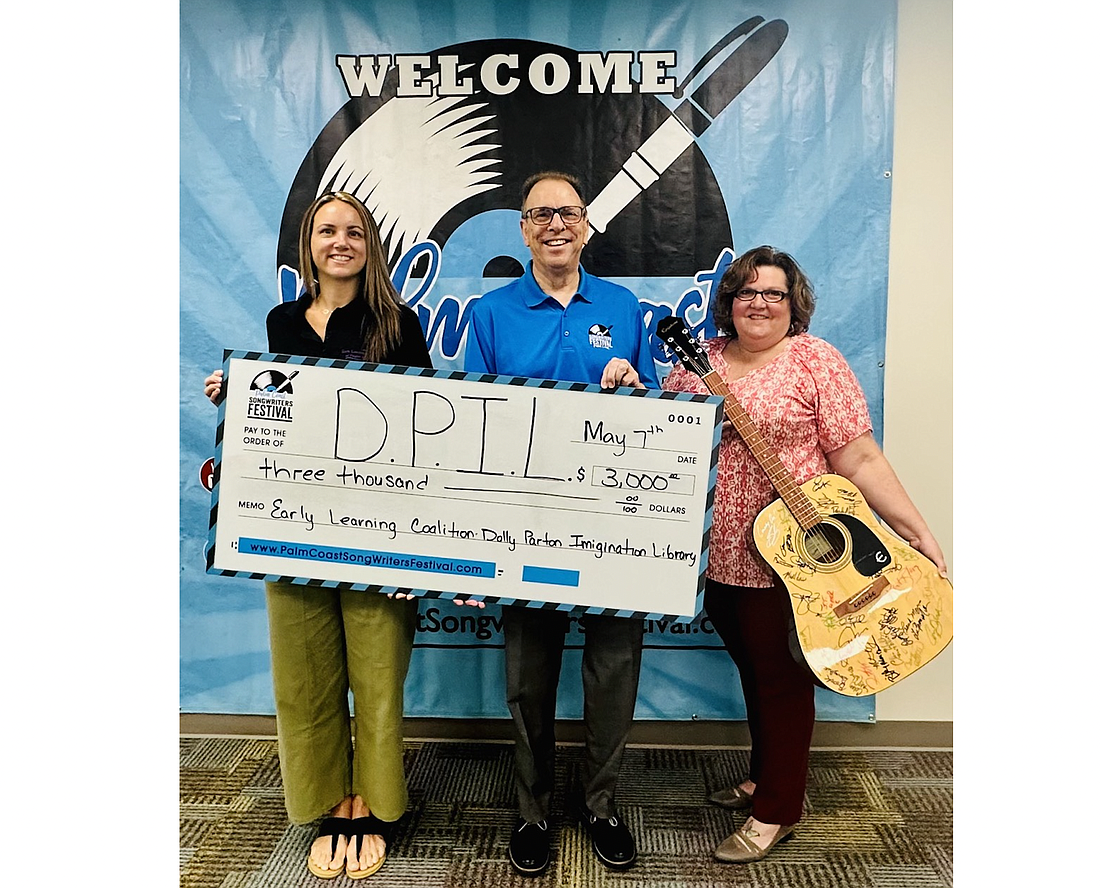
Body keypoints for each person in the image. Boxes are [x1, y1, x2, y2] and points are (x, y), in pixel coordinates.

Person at [661, 245, 948, 863]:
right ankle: (767, 775)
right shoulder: (697, 363)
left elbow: (859, 456)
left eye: (773, 293)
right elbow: (661, 447)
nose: (759, 303)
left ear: (794, 304)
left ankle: (778, 810)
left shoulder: (815, 360)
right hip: (717, 555)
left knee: (783, 679)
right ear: (728, 303)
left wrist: (916, 529)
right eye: (746, 292)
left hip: (796, 561)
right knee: (753, 669)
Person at [203, 191, 434, 880]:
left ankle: (370, 803)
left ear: (371, 246)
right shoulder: (282, 320)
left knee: (377, 672)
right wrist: (239, 397)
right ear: (308, 244)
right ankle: (327, 800)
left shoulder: (399, 323)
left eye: (354, 231)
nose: (341, 241)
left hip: (377, 532)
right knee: (303, 675)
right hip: (290, 531)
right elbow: (281, 416)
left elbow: (426, 428)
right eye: (327, 230)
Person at [462, 171, 659, 876]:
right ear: (522, 227)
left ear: (586, 224)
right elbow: (471, 428)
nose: (555, 225)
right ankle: (533, 813)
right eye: (540, 213)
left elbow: (659, 420)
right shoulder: (490, 314)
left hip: (616, 528)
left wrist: (635, 390)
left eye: (568, 213)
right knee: (528, 678)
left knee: (614, 671)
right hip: (524, 530)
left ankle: (601, 806)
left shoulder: (624, 306)